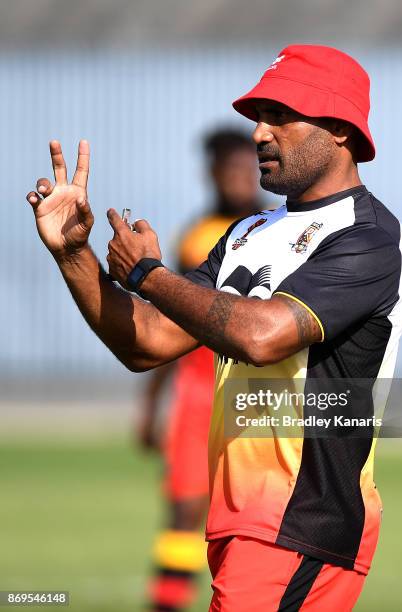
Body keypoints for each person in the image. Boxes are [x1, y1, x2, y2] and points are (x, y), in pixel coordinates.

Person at [26, 44, 402, 611]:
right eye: (257, 116)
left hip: (301, 522)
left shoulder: (368, 237)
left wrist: (148, 274)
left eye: (279, 115)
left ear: (338, 128)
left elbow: (263, 336)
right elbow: (149, 342)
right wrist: (74, 255)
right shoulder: (246, 233)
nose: (259, 133)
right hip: (243, 521)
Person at [136, 129, 262, 611]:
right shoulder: (197, 237)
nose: (236, 177)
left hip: (257, 393)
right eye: (226, 168)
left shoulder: (282, 227)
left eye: (243, 167)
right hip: (197, 392)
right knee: (185, 509)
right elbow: (166, 328)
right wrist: (151, 406)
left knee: (257, 514)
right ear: (209, 172)